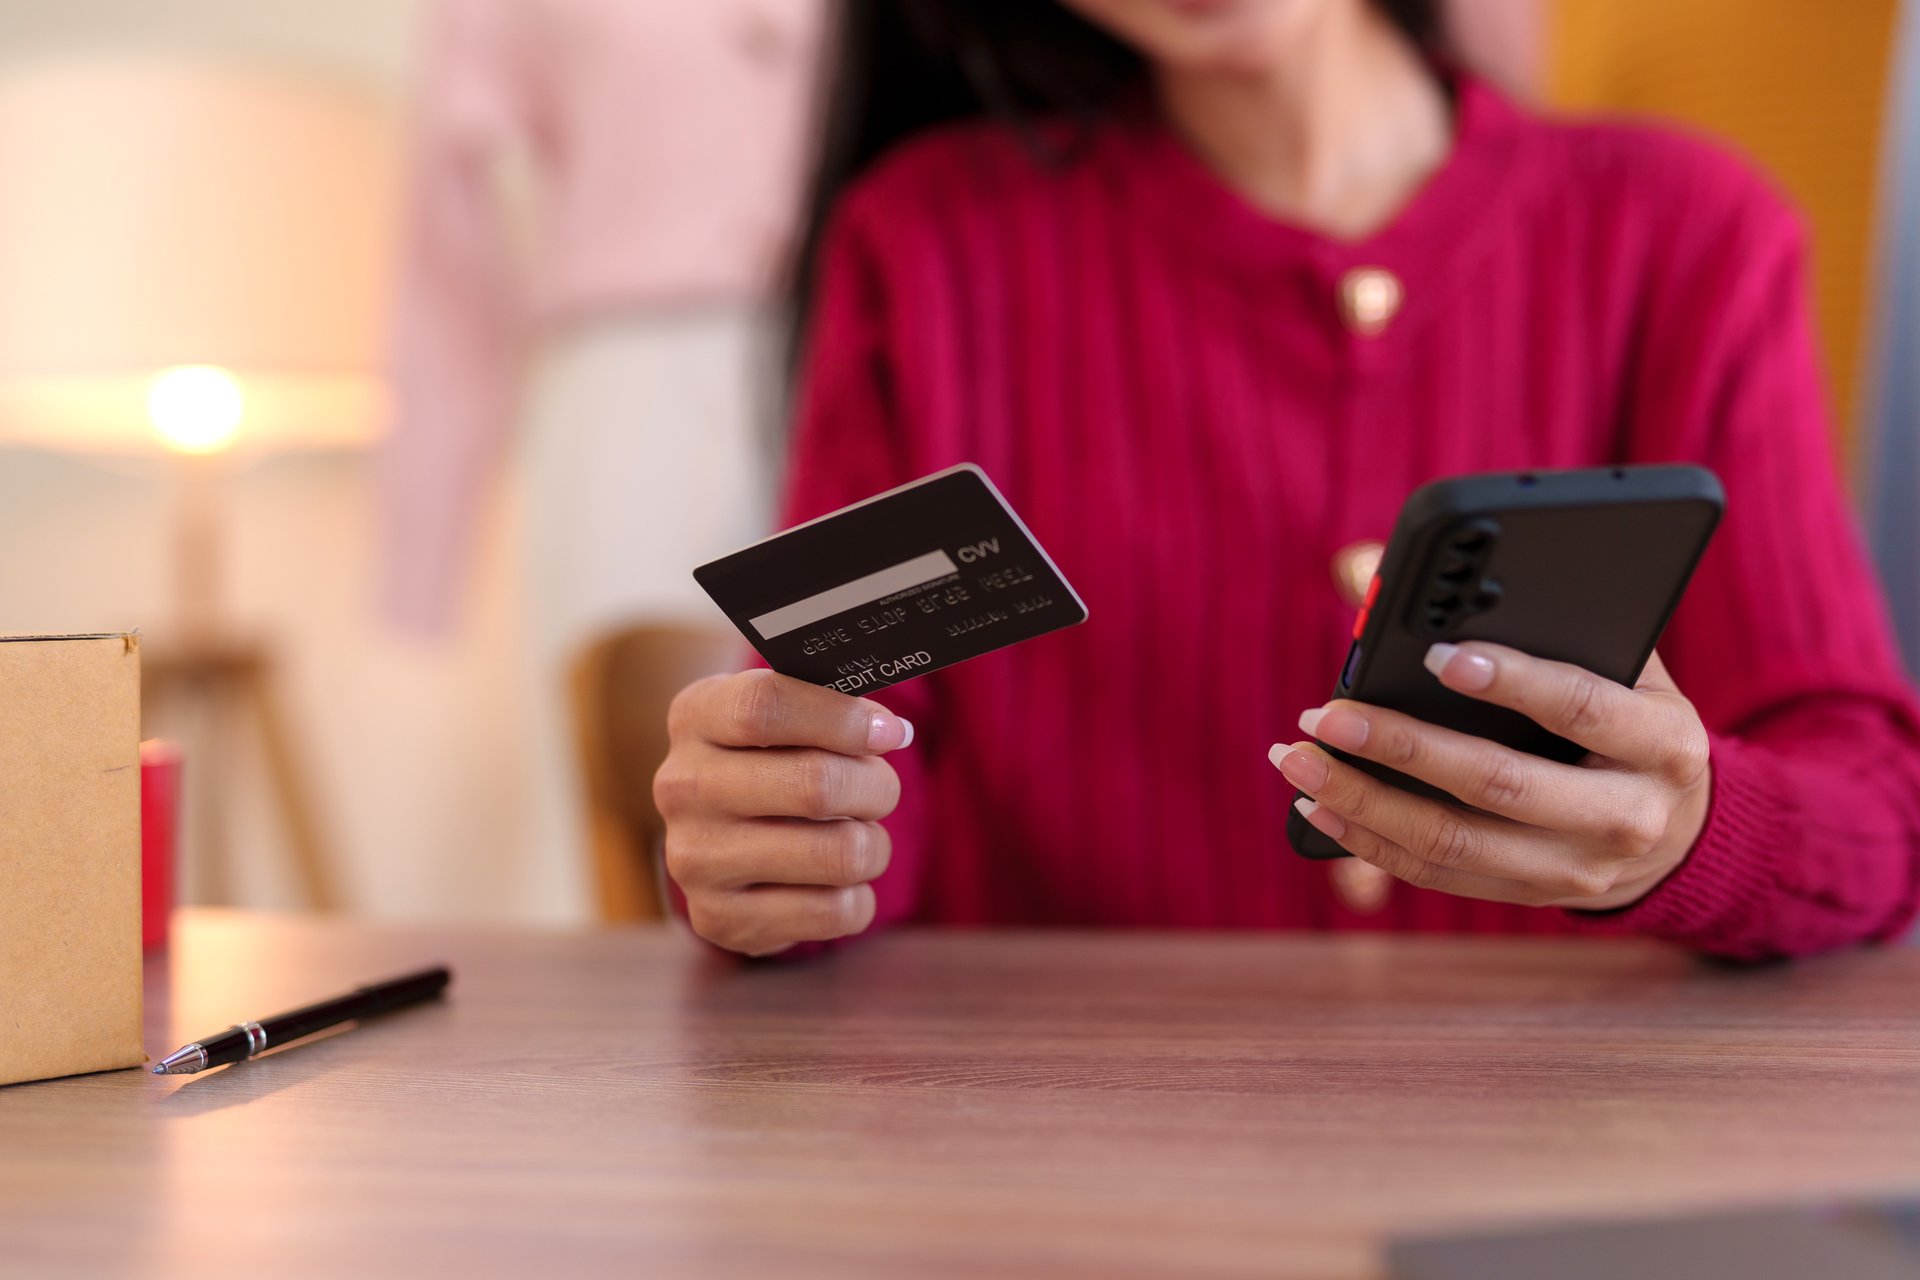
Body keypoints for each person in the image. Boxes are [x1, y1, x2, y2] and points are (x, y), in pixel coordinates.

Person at [653, 0, 1920, 962]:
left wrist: (1699, 832)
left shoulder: (1687, 232)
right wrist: (784, 838)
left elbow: (1873, 814)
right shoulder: (924, 246)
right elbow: (865, 792)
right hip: (1065, 1182)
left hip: (1567, 1161)